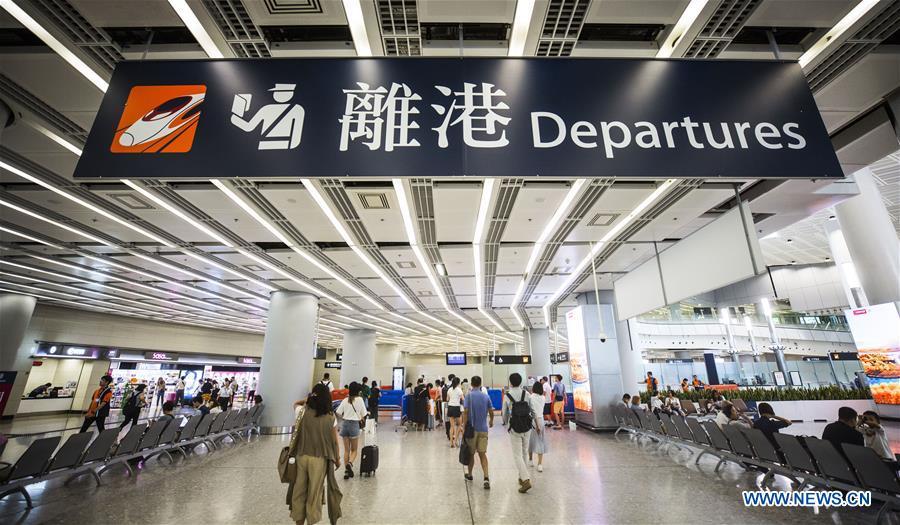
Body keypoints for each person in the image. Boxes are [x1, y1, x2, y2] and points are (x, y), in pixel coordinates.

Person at [288, 383, 342, 525]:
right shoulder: (331, 417)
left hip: (301, 456)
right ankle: (311, 521)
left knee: (299, 490)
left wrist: (306, 400)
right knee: (314, 492)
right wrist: (337, 459)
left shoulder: (301, 411)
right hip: (319, 459)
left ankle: (299, 522)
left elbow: (295, 403)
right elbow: (335, 442)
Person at [502, 373, 540, 493]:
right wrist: (537, 424)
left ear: (510, 382)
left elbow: (504, 413)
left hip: (515, 427)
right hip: (527, 426)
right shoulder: (526, 394)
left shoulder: (507, 395)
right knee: (524, 452)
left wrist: (506, 423)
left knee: (517, 455)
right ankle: (521, 477)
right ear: (520, 381)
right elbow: (533, 410)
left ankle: (526, 479)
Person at [461, 376, 494, 490]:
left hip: (472, 430)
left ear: (471, 384)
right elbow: (491, 410)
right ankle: (486, 477)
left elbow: (465, 412)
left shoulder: (468, 396)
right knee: (482, 454)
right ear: (480, 384)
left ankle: (470, 475)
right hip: (483, 429)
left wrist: (464, 426)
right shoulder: (486, 396)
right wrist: (491, 420)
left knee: (471, 453)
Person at [334, 381, 368, 480]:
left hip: (345, 424)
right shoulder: (360, 400)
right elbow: (364, 413)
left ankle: (346, 471)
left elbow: (338, 412)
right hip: (354, 425)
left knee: (346, 450)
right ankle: (350, 463)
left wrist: (344, 417)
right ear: (358, 391)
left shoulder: (345, 400)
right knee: (354, 450)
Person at [528, 381, 548, 473]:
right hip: (541, 420)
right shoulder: (543, 398)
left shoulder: (530, 397)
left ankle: (530, 460)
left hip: (532, 420)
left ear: (533, 388)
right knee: (540, 441)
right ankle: (540, 464)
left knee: (530, 440)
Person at [447, 377, 464, 447]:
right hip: (456, 408)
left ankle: (451, 442)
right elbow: (463, 399)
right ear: (458, 383)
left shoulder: (449, 389)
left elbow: (447, 399)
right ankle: (456, 441)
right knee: (459, 425)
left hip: (450, 407)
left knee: (452, 426)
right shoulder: (459, 390)